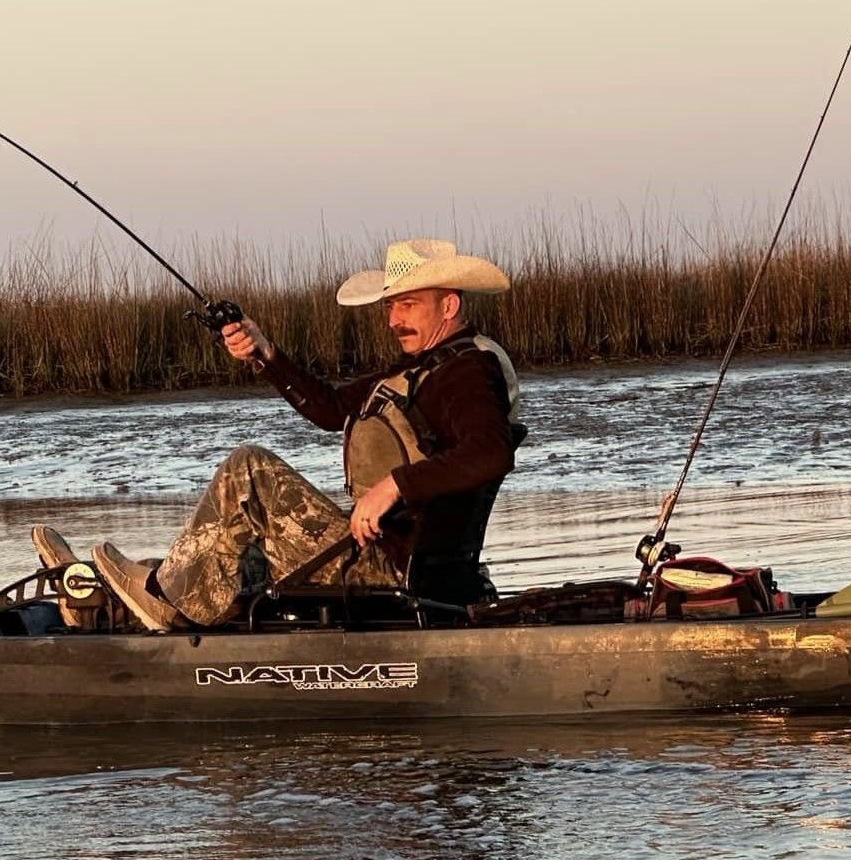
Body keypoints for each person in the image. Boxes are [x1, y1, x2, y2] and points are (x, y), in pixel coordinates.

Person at [31, 238, 522, 630]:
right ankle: (96, 599)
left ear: (449, 304)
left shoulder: (466, 372)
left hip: (388, 572)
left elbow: (490, 452)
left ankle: (160, 601)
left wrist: (392, 486)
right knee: (232, 563)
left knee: (248, 470)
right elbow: (330, 409)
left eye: (408, 305)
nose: (394, 320)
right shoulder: (422, 368)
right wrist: (265, 353)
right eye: (390, 307)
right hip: (375, 556)